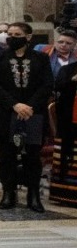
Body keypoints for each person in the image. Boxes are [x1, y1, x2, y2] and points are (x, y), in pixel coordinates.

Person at [0, 22, 54, 212]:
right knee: (6, 155)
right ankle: (9, 193)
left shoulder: (41, 58)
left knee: (32, 156)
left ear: (28, 37)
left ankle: (33, 195)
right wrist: (15, 105)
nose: (12, 37)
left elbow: (47, 85)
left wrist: (30, 106)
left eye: (17, 34)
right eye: (10, 33)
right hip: (6, 113)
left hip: (33, 113)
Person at [51, 56, 77, 207]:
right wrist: (73, 80)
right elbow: (58, 87)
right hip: (69, 122)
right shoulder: (68, 69)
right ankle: (66, 195)